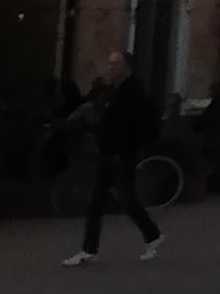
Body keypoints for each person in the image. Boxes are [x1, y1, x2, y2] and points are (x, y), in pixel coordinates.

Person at [66, 51, 164, 265]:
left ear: (126, 67)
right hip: (108, 153)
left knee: (127, 199)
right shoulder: (113, 93)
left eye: (115, 64)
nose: (110, 68)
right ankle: (89, 249)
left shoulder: (133, 94)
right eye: (109, 64)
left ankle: (152, 235)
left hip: (120, 155)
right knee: (97, 202)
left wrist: (125, 147)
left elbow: (136, 125)